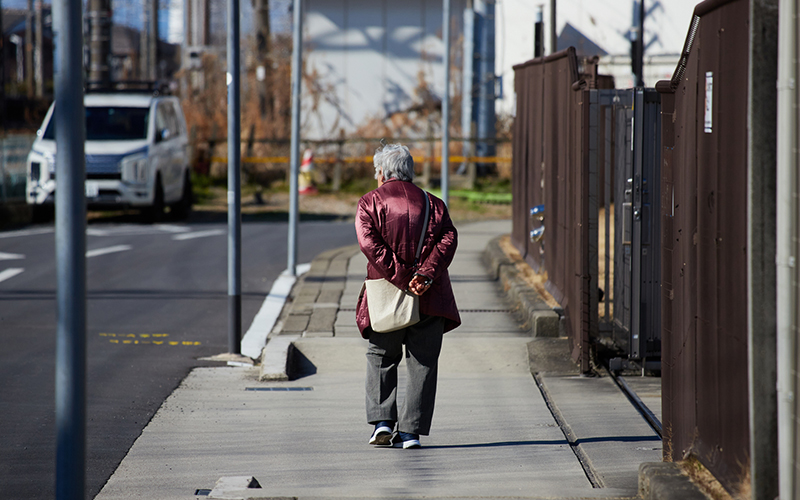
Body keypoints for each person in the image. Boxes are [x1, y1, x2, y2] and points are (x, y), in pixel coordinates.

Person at [355, 142, 460, 449]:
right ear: (410, 172)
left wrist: (401, 277)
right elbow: (449, 238)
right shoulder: (434, 203)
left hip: (385, 292)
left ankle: (383, 423)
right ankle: (411, 433)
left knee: (381, 355)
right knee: (423, 361)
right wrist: (424, 275)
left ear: (382, 172)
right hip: (429, 293)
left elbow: (369, 245)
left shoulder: (369, 202)